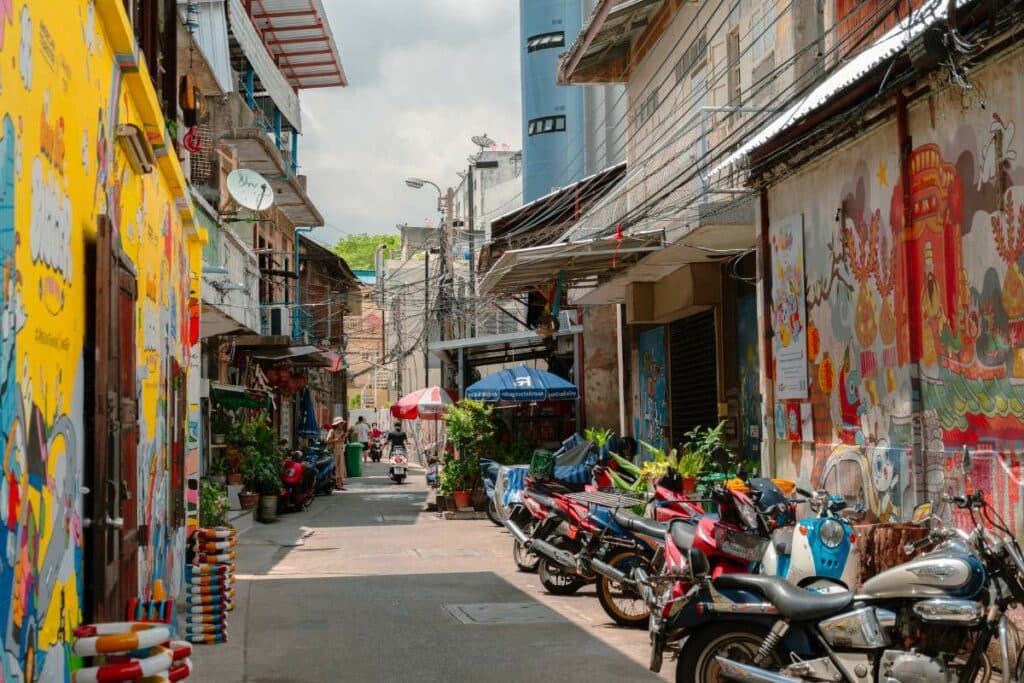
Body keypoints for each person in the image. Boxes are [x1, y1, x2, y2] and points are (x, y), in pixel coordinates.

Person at [325, 417, 347, 490]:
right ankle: (336, 484)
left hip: (340, 450)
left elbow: (342, 441)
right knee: (335, 468)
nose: (342, 425)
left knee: (341, 467)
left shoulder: (342, 432)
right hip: (334, 450)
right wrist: (337, 440)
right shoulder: (332, 431)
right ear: (337, 424)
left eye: (342, 423)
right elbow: (328, 441)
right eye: (340, 423)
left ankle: (340, 484)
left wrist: (343, 438)